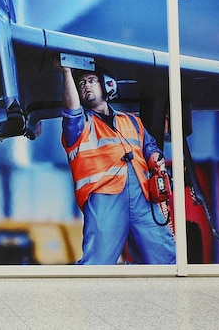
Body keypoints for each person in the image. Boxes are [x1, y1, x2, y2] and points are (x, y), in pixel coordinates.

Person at [56, 58, 176, 265]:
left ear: (107, 85)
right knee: (97, 263)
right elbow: (72, 110)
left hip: (143, 197)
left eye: (91, 80)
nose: (86, 85)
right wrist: (66, 73)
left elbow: (150, 147)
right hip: (104, 199)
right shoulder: (79, 126)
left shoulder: (131, 121)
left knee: (164, 258)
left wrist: (155, 158)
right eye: (82, 83)